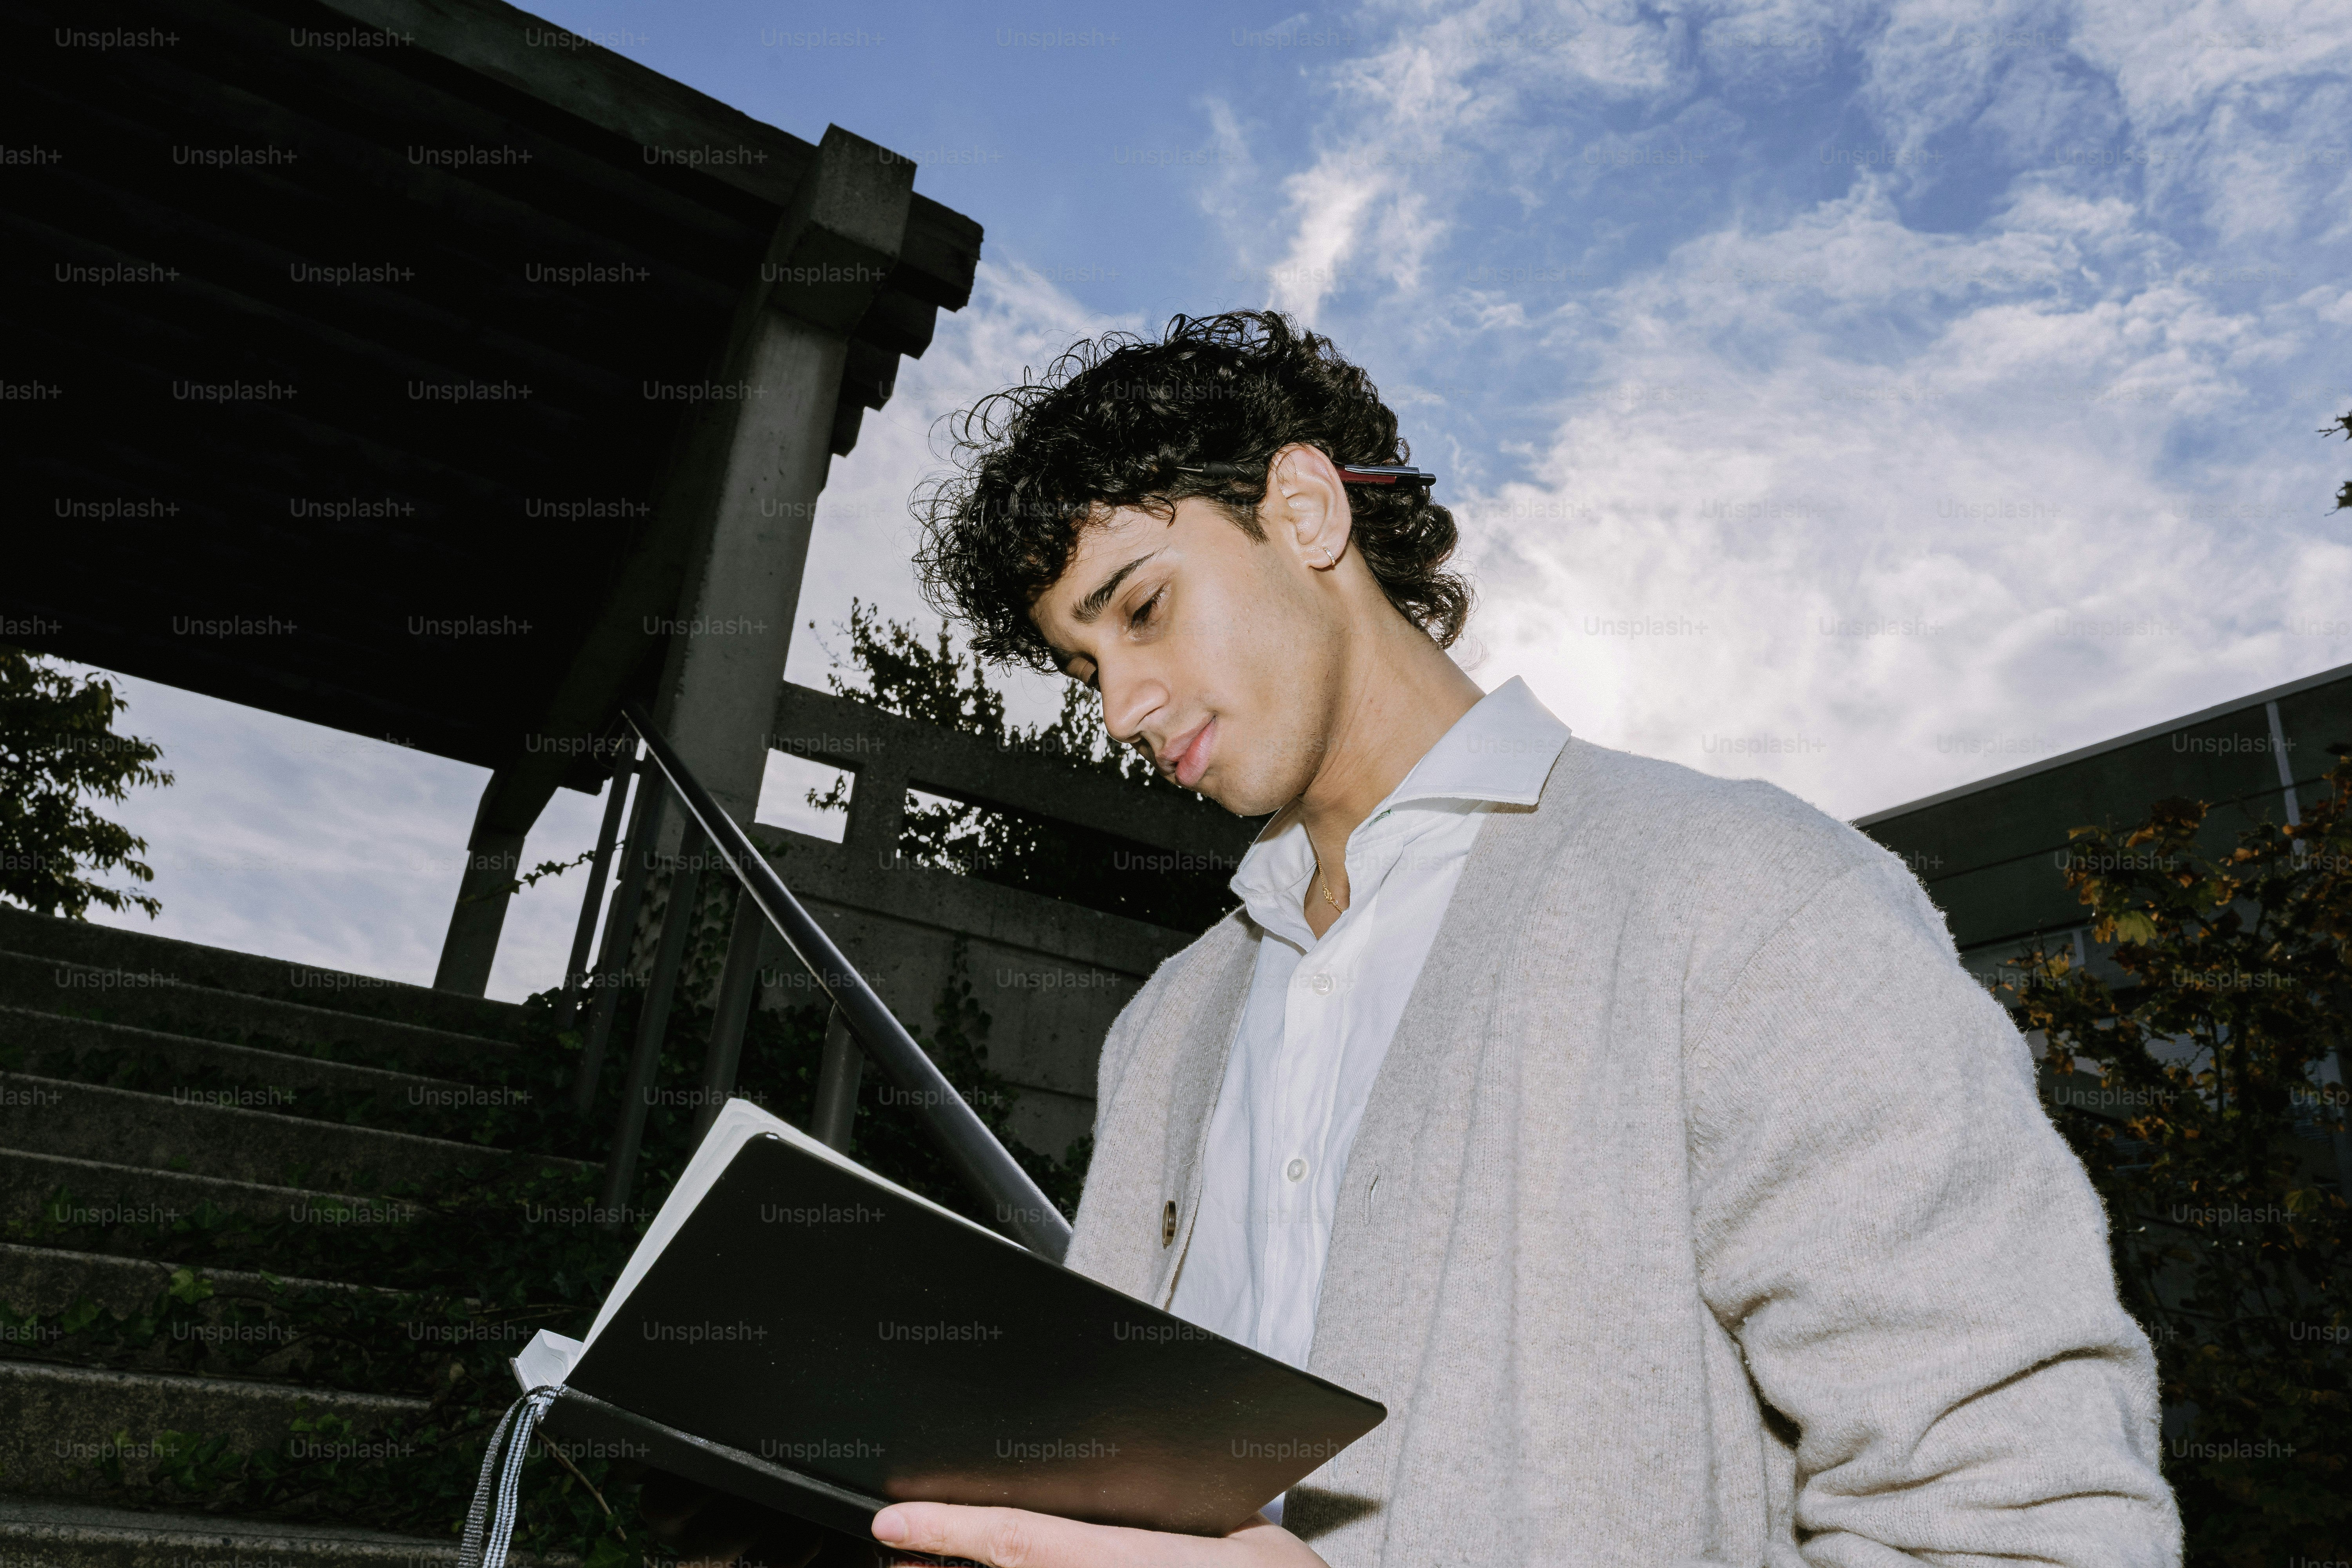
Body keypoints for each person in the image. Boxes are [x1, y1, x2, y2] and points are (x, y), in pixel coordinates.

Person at [650, 310, 2181, 1567]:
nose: (1119, 706)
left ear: (1306, 510)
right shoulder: (1169, 1030)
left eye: (1145, 606)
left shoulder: (1744, 893)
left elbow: (2028, 1527)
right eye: (1082, 660)